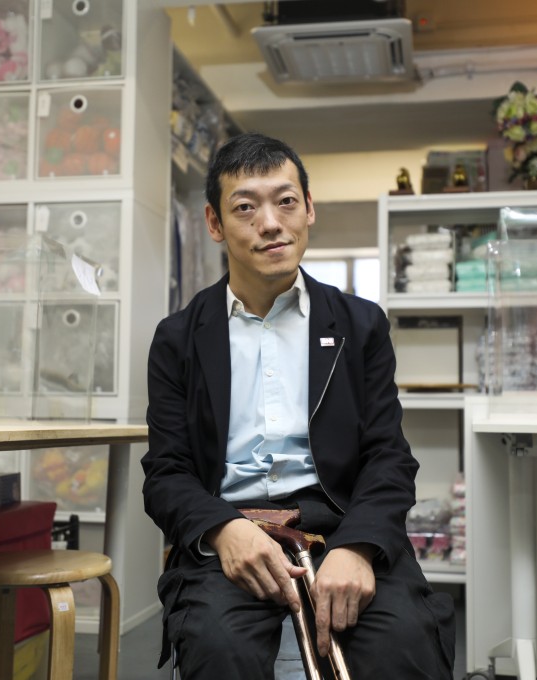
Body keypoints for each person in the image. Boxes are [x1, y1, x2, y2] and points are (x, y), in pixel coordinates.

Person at [142, 132, 455, 679]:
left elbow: (388, 458)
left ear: (309, 210)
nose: (270, 223)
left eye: (286, 201)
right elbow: (166, 474)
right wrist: (222, 529)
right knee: (219, 650)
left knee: (402, 643)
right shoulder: (179, 338)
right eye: (245, 207)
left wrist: (357, 547)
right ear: (215, 224)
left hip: (340, 524)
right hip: (232, 534)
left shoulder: (360, 327)